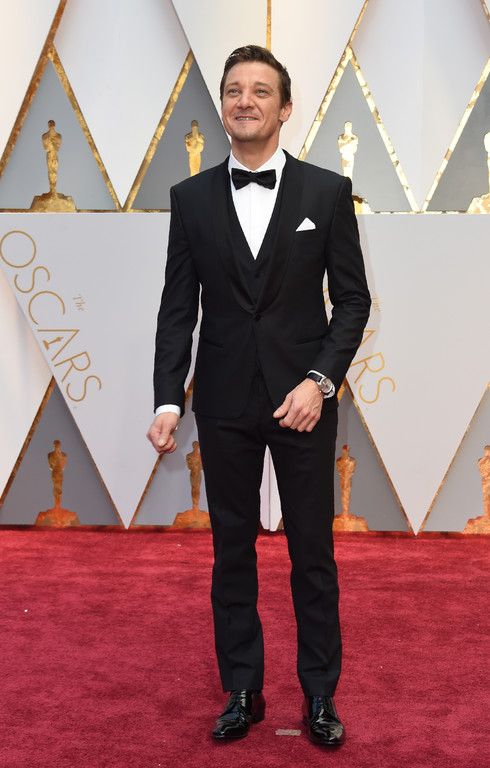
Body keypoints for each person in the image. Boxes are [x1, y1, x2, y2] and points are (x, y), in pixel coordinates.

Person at [147, 44, 371, 748]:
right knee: (231, 552)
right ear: (223, 106)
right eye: (234, 90)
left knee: (313, 554)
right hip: (223, 402)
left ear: (285, 107)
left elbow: (354, 302)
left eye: (260, 91)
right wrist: (167, 400)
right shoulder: (189, 199)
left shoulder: (326, 193)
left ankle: (320, 696)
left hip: (304, 402)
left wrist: (320, 381)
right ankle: (242, 689)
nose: (245, 101)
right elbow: (177, 310)